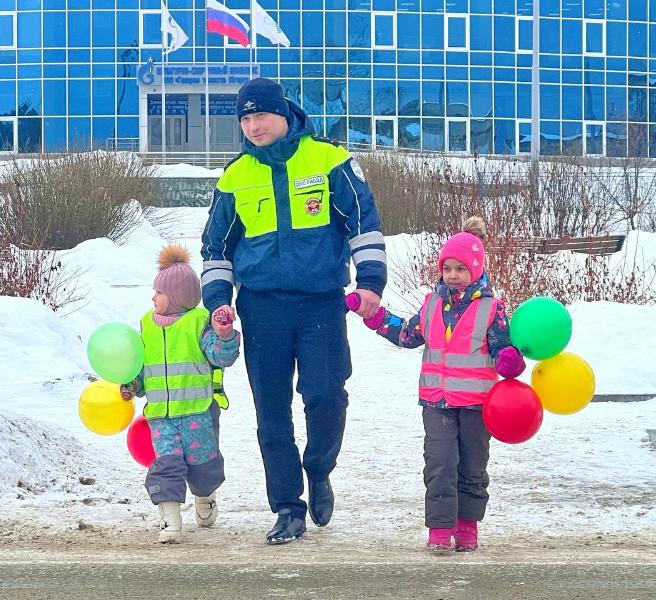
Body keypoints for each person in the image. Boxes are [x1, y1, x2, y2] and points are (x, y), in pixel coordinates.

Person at [201, 77, 387, 544]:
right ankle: (287, 506)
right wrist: (219, 301)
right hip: (262, 307)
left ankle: (319, 469)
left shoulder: (330, 160)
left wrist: (370, 284)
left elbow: (363, 225)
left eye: (259, 114)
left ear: (283, 113)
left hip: (321, 301)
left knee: (326, 395)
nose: (252, 125)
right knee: (272, 414)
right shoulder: (235, 175)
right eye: (244, 118)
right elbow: (215, 248)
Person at [358, 216, 526, 552]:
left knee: (472, 466)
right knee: (439, 464)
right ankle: (439, 529)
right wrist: (376, 318)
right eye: (447, 268)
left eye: (460, 269)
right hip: (437, 404)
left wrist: (510, 359)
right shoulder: (432, 304)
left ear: (475, 270)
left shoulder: (492, 309)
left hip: (477, 405)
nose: (452, 275)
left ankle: (467, 525)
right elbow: (407, 334)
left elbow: (503, 349)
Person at [121, 245, 240, 544]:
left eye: (158, 293)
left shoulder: (198, 323)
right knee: (166, 466)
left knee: (203, 467)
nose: (153, 298)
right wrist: (134, 384)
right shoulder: (146, 325)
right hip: (161, 416)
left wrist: (224, 336)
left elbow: (220, 357)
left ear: (176, 296)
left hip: (198, 412)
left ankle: (205, 495)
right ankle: (170, 520)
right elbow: (142, 365)